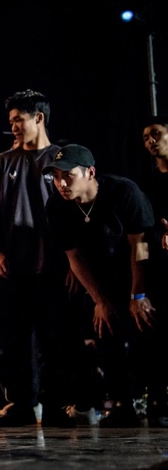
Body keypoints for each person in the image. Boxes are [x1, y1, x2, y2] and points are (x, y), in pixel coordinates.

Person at [0, 90, 92, 427]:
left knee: (55, 339)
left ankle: (56, 404)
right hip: (14, 266)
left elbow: (78, 213)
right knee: (13, 340)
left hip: (55, 266)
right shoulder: (1, 162)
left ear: (39, 118)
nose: (14, 126)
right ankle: (21, 404)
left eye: (19, 119)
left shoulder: (62, 159)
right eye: (11, 121)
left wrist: (76, 265)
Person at [44, 144, 155, 427]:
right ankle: (121, 404)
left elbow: (140, 246)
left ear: (90, 173)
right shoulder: (57, 205)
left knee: (146, 326)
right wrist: (100, 300)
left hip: (140, 269)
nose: (61, 184)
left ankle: (157, 400)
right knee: (103, 327)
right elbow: (74, 257)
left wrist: (138, 295)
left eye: (68, 176)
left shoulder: (123, 192)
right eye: (56, 177)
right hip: (101, 275)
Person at [139, 117, 168, 427]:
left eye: (156, 134)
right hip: (159, 270)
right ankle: (157, 401)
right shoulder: (148, 183)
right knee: (156, 335)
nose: (150, 141)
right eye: (146, 137)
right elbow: (142, 233)